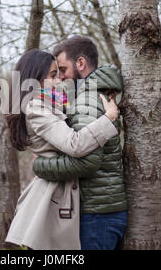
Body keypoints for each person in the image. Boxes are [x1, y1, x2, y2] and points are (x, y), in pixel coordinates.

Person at [5, 49, 119, 250]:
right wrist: (108, 118)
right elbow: (74, 144)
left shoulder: (50, 103)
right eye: (52, 75)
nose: (58, 80)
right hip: (56, 194)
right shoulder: (35, 108)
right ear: (34, 78)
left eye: (57, 74)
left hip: (65, 185)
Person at [33, 36, 128, 250]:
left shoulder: (88, 100)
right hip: (103, 209)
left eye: (63, 69)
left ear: (81, 63)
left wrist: (40, 166)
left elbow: (86, 162)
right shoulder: (96, 94)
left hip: (96, 214)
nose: (62, 77)